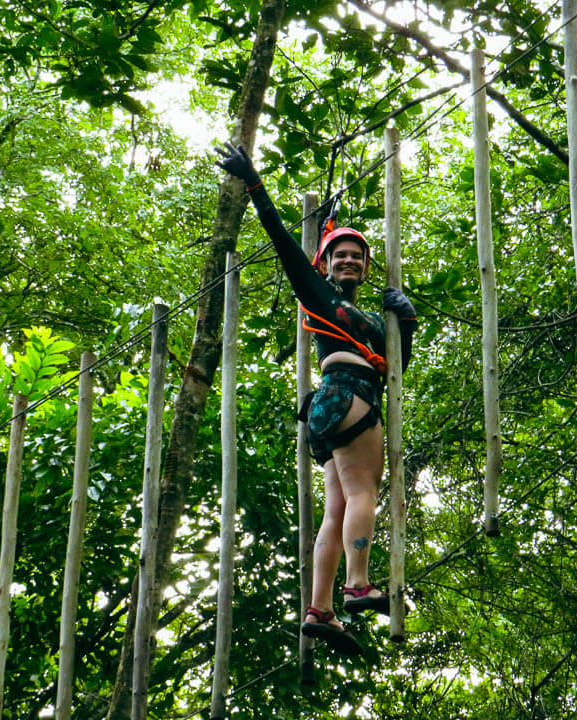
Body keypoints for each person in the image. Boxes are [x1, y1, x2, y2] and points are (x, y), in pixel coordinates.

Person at [215, 142, 417, 656]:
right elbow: (283, 242)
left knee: (337, 508)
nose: (348, 261)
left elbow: (394, 371)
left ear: (366, 269)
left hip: (332, 409)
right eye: (339, 256)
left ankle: (319, 607)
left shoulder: (367, 320)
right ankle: (359, 584)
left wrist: (405, 326)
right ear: (324, 265)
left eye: (356, 257)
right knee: (365, 492)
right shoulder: (317, 296)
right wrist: (253, 182)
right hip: (346, 396)